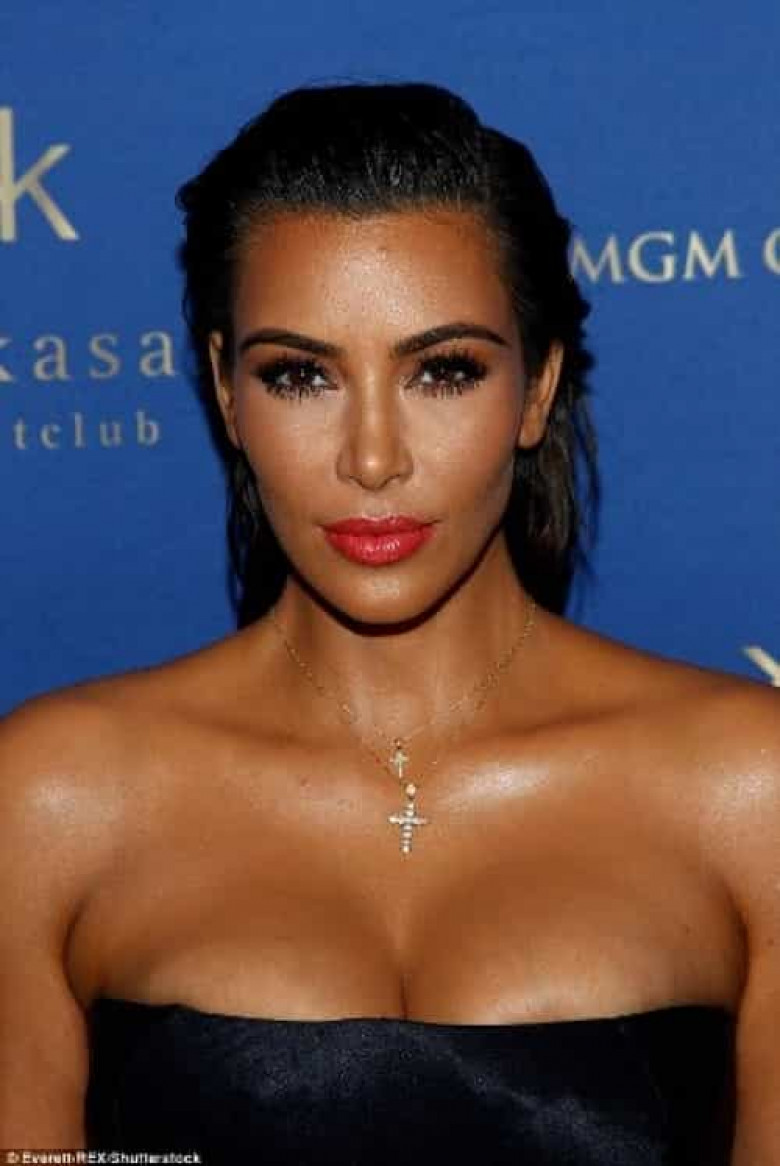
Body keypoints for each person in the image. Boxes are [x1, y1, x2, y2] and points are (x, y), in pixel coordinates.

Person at [0, 80, 778, 1165]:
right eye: (301, 375)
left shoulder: (751, 789)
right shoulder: (51, 798)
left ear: (537, 388)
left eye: (444, 371)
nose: (373, 458)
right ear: (226, 393)